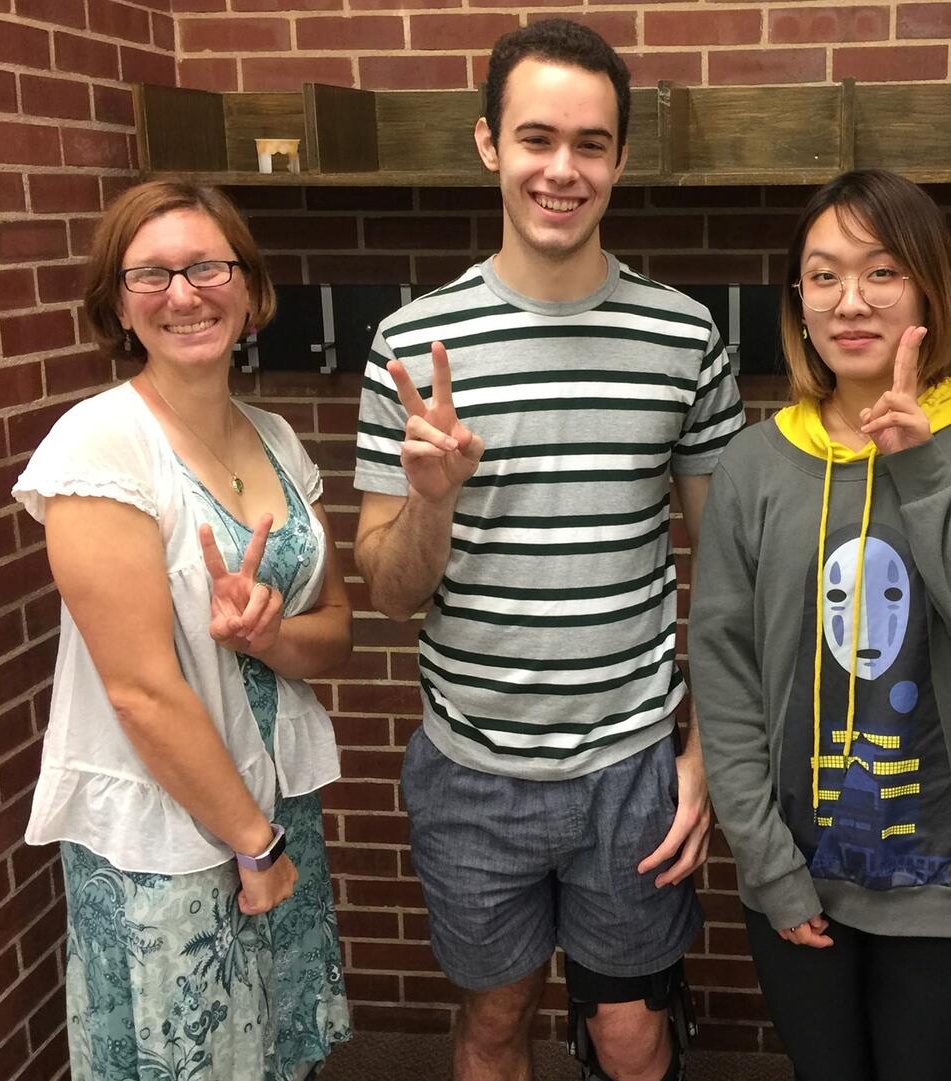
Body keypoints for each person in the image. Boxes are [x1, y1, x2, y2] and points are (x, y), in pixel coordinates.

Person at [351, 19, 743, 1081]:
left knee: (631, 1031)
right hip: (474, 769)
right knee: (493, 1024)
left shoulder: (683, 336)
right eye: (536, 138)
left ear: (619, 158)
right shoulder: (412, 346)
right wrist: (432, 501)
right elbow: (390, 593)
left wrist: (703, 752)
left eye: (591, 143)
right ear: (488, 145)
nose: (562, 170)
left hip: (633, 765)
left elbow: (726, 576)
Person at [689, 169, 951, 1081]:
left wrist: (917, 464)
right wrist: (766, 861)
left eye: (880, 272)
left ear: (929, 287)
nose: (849, 300)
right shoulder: (754, 460)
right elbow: (726, 672)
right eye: (823, 276)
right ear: (799, 301)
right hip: (796, 863)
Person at [11, 180, 353, 1081]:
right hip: (169, 836)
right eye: (151, 274)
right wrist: (254, 843)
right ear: (118, 303)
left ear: (249, 290)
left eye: (207, 266)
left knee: (276, 1050)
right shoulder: (101, 445)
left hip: (274, 803)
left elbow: (336, 634)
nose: (184, 293)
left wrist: (271, 638)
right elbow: (138, 687)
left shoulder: (277, 438)